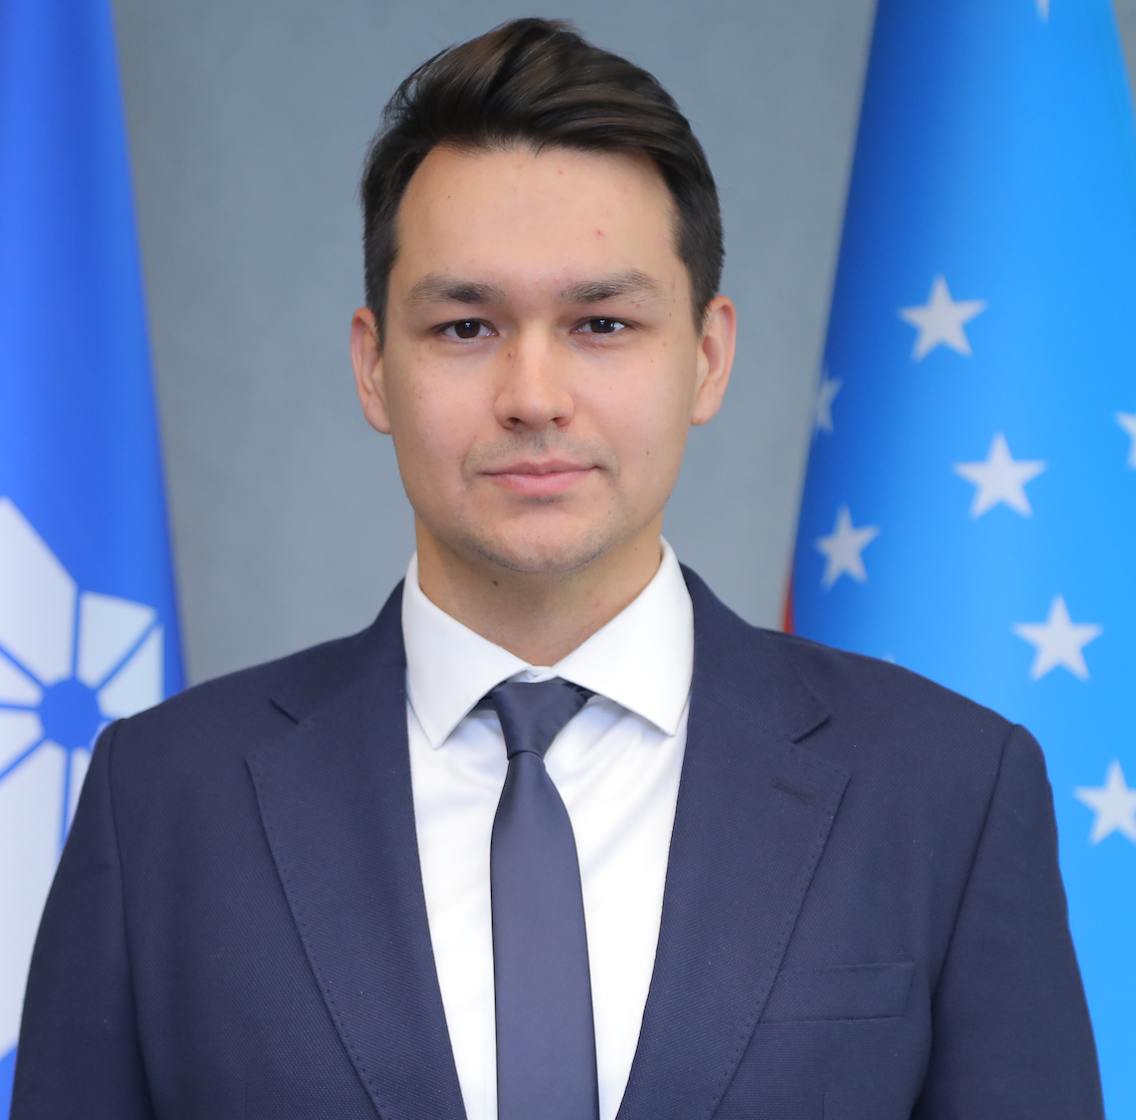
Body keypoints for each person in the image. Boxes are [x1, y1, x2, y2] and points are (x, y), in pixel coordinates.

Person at [12, 17, 1103, 1120]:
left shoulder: (946, 791)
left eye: (601, 323)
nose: (533, 396)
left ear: (707, 355)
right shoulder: (160, 804)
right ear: (374, 366)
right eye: (465, 327)